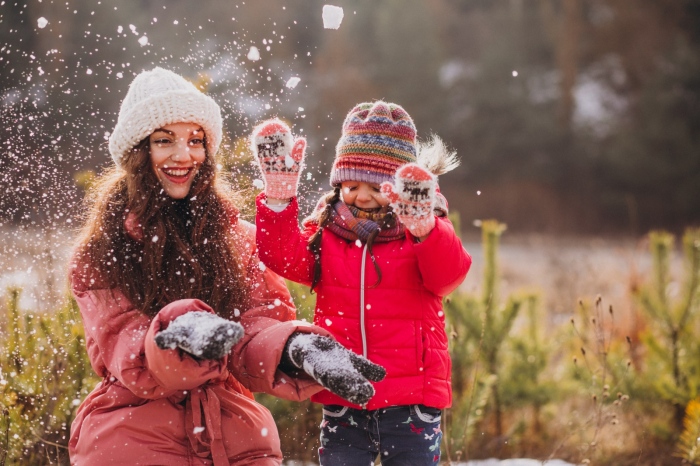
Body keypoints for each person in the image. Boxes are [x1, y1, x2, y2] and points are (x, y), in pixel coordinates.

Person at [69, 67, 385, 466]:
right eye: (164, 140)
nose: (184, 155)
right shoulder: (100, 250)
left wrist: (292, 348)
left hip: (232, 430)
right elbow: (127, 351)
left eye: (195, 140)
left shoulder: (236, 238)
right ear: (138, 151)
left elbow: (254, 325)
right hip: (129, 432)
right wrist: (181, 332)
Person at [252, 101, 472, 465]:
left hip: (411, 396)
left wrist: (424, 230)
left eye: (377, 186)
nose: (362, 196)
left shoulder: (421, 230)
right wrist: (278, 199)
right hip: (343, 390)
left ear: (401, 187)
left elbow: (448, 276)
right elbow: (284, 258)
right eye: (351, 184)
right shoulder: (329, 230)